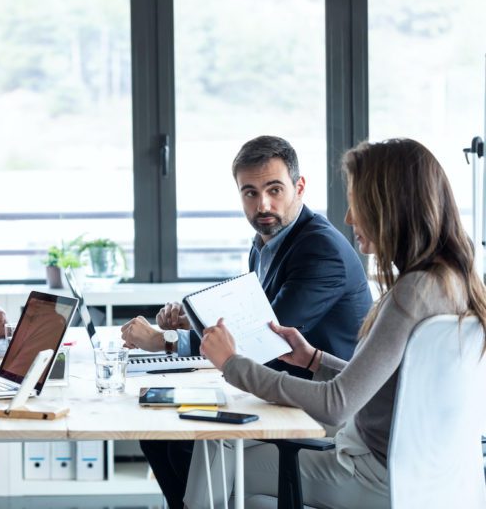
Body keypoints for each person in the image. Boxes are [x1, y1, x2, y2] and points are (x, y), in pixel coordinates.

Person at [198, 138, 486, 508]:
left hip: (375, 473)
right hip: (427, 473)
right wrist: (315, 360)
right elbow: (396, 388)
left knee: (217, 460)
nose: (350, 218)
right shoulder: (453, 281)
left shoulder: (411, 292)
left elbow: (337, 404)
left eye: (357, 203)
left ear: (390, 207)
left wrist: (232, 364)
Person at [120, 135, 373, 508]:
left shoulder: (321, 249)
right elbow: (252, 315)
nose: (263, 204)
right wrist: (189, 323)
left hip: (319, 401)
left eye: (274, 189)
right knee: (163, 438)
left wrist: (167, 342)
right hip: (277, 386)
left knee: (186, 445)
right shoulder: (267, 241)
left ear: (299, 186)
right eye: (250, 193)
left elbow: (264, 337)